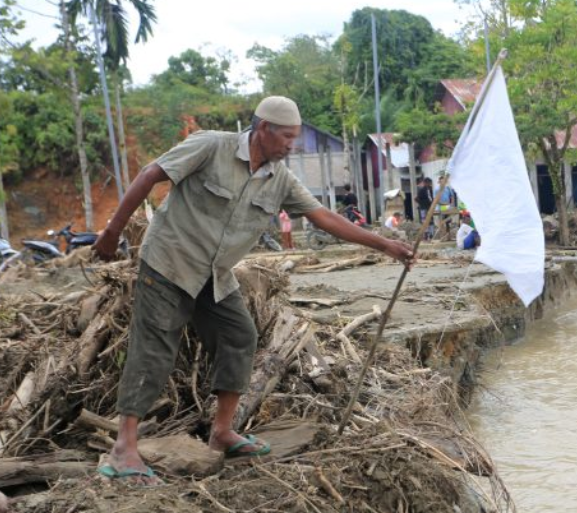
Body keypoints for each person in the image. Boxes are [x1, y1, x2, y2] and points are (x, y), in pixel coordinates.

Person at [93, 96, 414, 485]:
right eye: (286, 137)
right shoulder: (211, 146)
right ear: (263, 129)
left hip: (215, 276)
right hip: (168, 264)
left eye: (294, 138)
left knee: (239, 335)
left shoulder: (280, 178)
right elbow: (148, 175)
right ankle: (124, 448)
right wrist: (112, 233)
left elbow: (324, 217)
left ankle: (222, 432)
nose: (291, 145)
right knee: (154, 349)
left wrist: (385, 245)